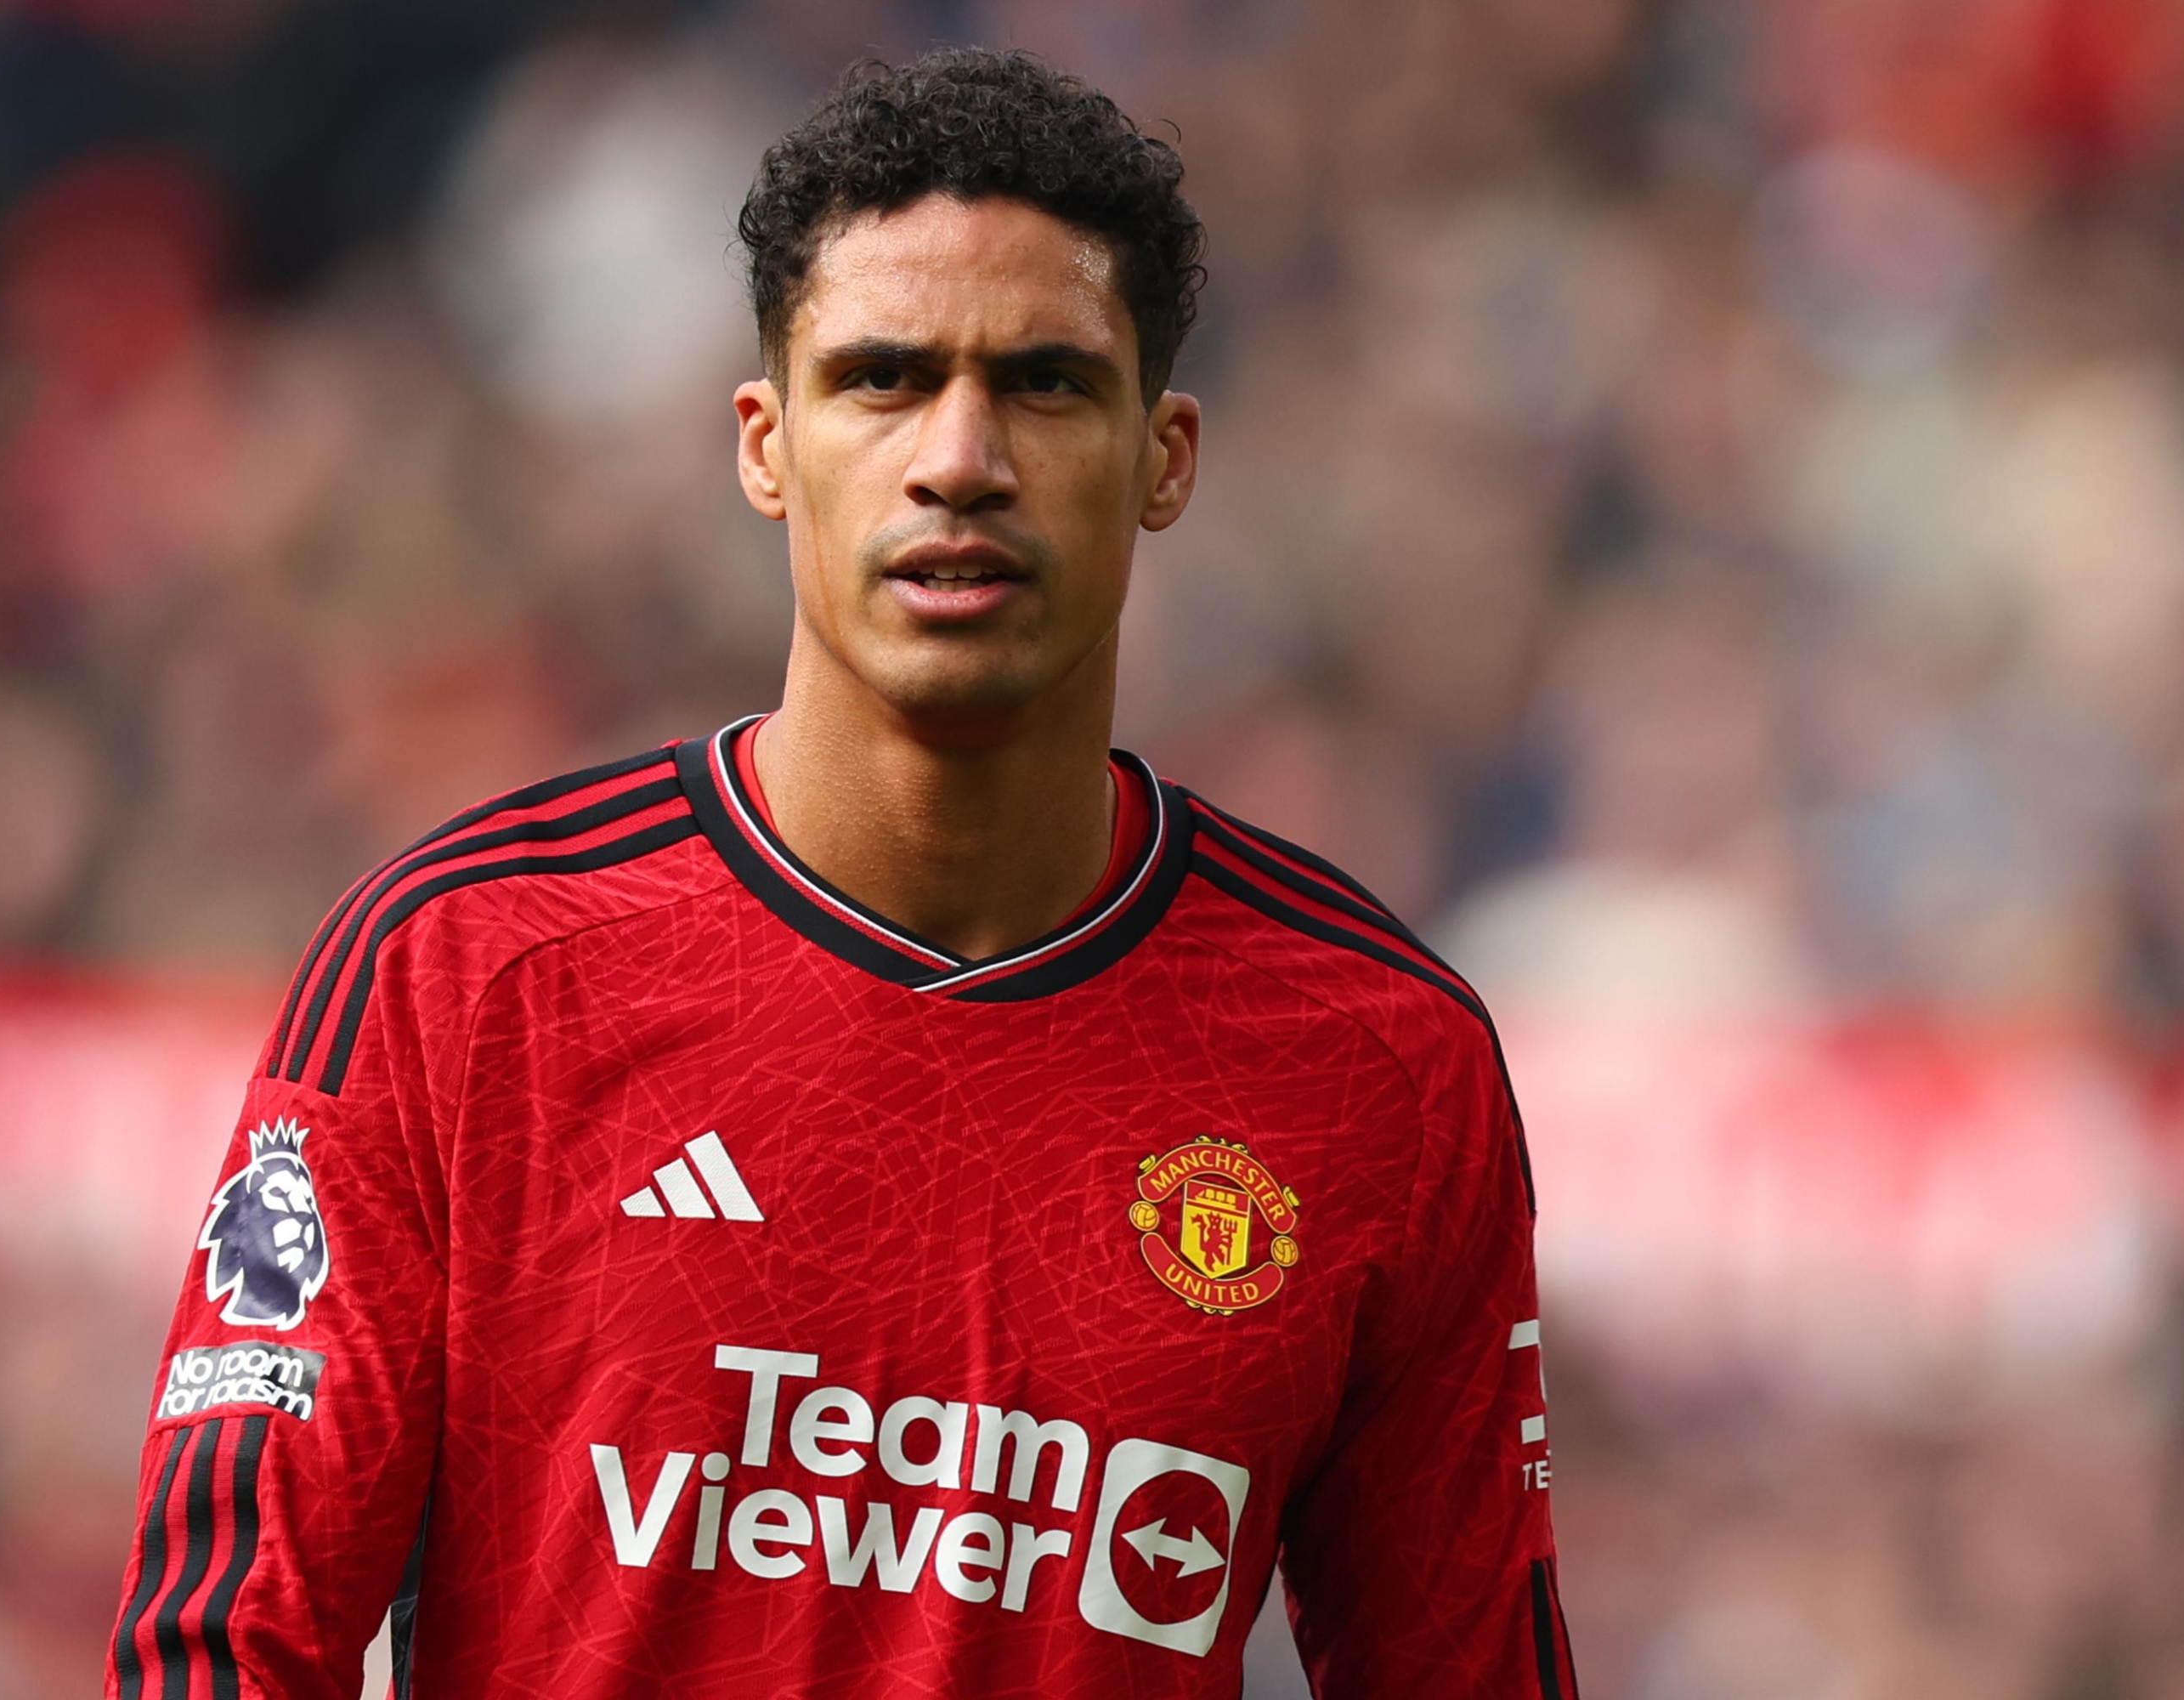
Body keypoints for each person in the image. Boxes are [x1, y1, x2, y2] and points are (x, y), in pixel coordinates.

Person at [105, 47, 1572, 1700]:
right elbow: (223, 1645)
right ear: (766, 443)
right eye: (881, 377)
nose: (960, 456)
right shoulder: (467, 969)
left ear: (1165, 457)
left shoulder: (1377, 1061)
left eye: (1045, 381)